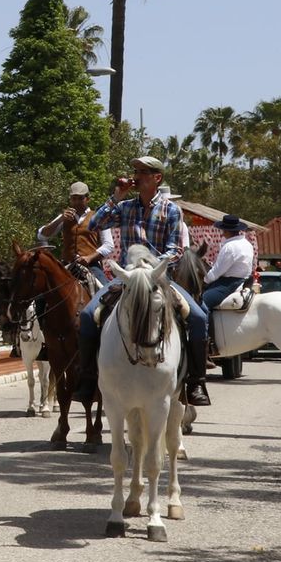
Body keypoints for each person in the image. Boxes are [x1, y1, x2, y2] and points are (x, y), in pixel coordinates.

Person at [81, 155, 212, 407]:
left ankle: (196, 381)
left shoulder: (172, 210)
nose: (136, 176)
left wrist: (151, 268)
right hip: (127, 278)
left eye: (142, 172)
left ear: (156, 178)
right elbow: (94, 225)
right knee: (87, 315)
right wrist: (116, 196)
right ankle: (87, 379)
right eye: (135, 171)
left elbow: (176, 250)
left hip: (159, 278)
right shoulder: (125, 206)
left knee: (198, 317)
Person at [35, 181, 113, 288]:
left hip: (91, 265)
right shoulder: (64, 217)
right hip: (66, 265)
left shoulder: (98, 217)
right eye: (74, 198)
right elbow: (42, 235)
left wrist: (89, 258)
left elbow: (109, 245)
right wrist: (60, 219)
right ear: (70, 199)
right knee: (43, 291)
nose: (77, 202)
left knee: (106, 291)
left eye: (80, 198)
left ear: (87, 199)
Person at [201, 214, 255, 311]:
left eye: (223, 230)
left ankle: (205, 325)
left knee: (201, 302)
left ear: (226, 230)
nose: (222, 233)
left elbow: (217, 271)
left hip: (229, 283)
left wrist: (204, 281)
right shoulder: (247, 244)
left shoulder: (229, 247)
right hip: (244, 280)